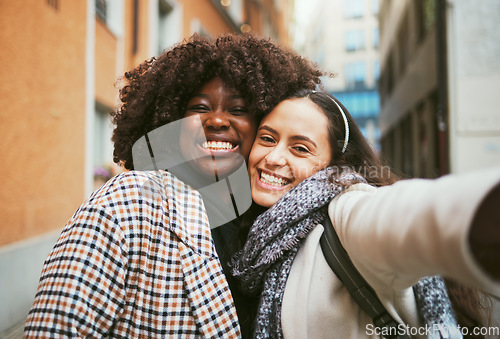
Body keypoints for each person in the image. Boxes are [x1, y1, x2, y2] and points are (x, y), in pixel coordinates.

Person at [24, 34, 324, 338]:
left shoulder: (271, 223)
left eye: (237, 110)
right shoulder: (127, 203)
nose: (217, 121)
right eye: (200, 107)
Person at [231, 89, 500, 338]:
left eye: (300, 148)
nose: (274, 158)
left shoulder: (347, 210)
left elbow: (406, 215)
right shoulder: (259, 230)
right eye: (267, 138)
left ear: (337, 162)